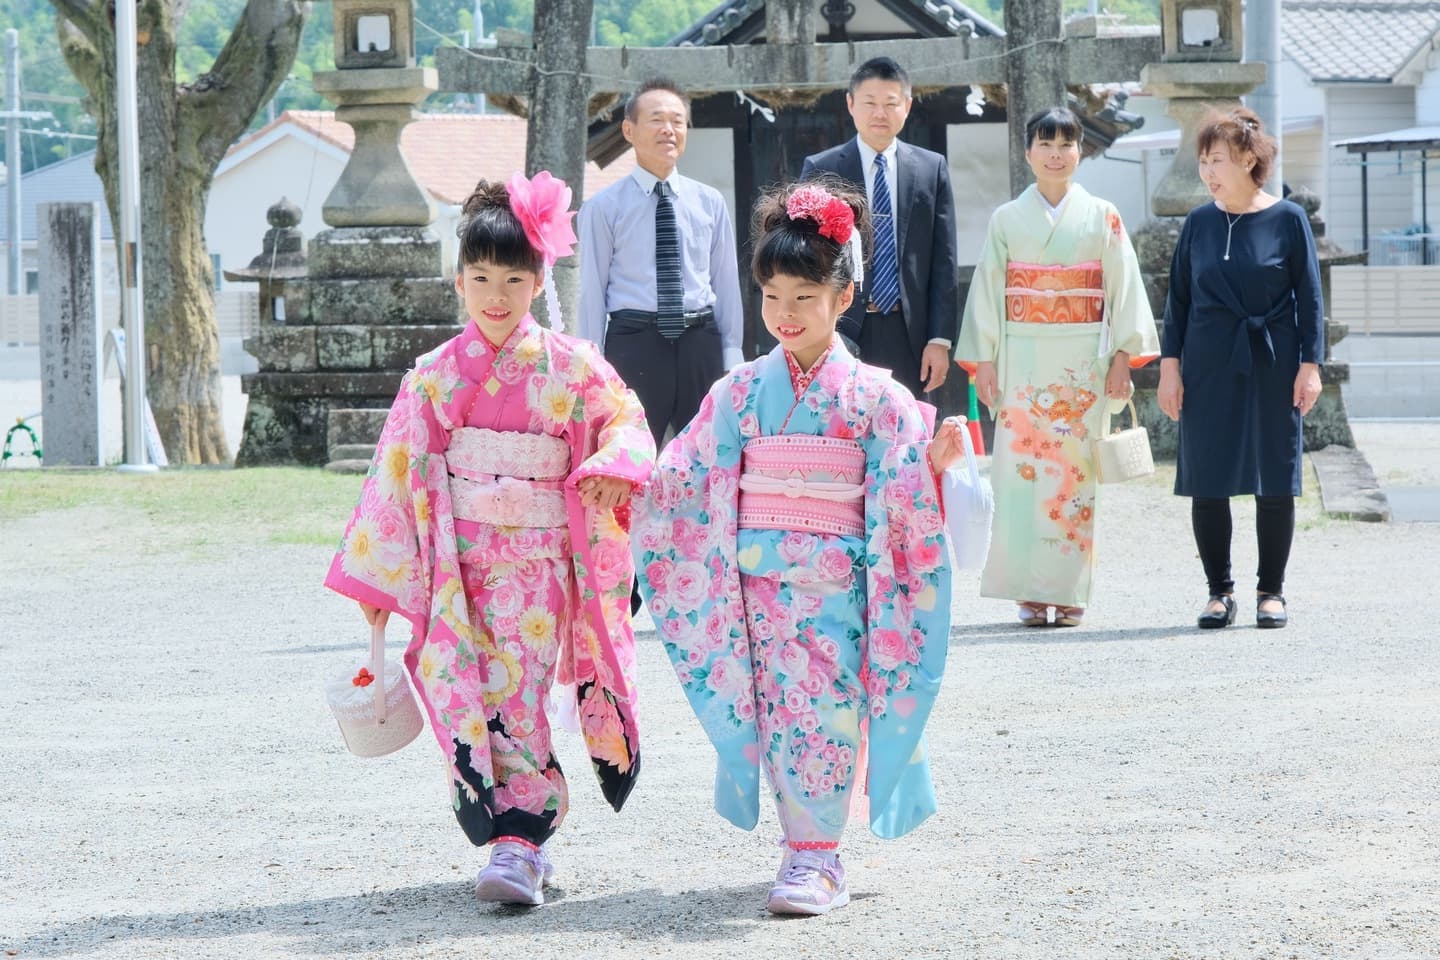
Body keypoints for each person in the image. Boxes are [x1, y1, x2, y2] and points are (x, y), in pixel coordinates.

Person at [632, 178, 967, 916]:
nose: (786, 313)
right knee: (780, 713)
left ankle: (817, 857)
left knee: (829, 709)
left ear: (843, 298)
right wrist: (626, 482)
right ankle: (803, 849)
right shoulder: (739, 392)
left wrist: (932, 466)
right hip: (757, 590)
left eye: (804, 297)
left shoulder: (878, 397)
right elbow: (682, 476)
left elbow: (903, 485)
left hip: (841, 590)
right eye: (773, 295)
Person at [323, 174, 655, 907]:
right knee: (468, 689)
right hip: (458, 570)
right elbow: (396, 478)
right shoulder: (435, 378)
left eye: (512, 277)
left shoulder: (571, 365)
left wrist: (608, 464)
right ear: (458, 281)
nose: (496, 296)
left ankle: (519, 840)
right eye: (480, 278)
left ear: (539, 279)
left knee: (517, 692)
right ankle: (513, 836)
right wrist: (381, 587)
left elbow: (626, 424)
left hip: (538, 570)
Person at [954, 107, 1159, 628]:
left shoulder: (1103, 216)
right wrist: (987, 364)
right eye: (1045, 144)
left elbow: (1124, 292)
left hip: (1080, 366)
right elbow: (987, 297)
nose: (1055, 154)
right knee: (1020, 476)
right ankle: (1027, 589)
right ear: (1028, 153)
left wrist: (1120, 359)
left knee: (1073, 476)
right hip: (1021, 359)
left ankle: (1067, 591)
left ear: (1079, 152)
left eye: (1066, 144)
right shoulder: (1006, 219)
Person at [1157, 107, 1324, 630]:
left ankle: (1270, 591)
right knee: (1208, 474)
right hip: (1207, 360)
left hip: (1274, 357)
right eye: (1204, 160)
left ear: (1250, 160)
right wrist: (1170, 367)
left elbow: (1311, 298)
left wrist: (1310, 365)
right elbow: (1177, 300)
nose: (1208, 171)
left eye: (1219, 160)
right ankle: (1218, 592)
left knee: (1274, 473)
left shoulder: (1289, 219)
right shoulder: (1198, 222)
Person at [578, 78, 745, 449]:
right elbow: (592, 290)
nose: (669, 129)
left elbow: (726, 284)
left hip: (698, 344)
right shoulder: (604, 208)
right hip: (635, 343)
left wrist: (732, 355)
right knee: (628, 456)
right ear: (629, 130)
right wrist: (589, 366)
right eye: (656, 119)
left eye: (678, 121)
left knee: (708, 456)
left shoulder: (710, 202)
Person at [800, 56, 959, 397]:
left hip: (910, 331)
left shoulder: (931, 169)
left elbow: (943, 260)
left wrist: (939, 340)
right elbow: (808, 262)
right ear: (850, 104)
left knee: (911, 434)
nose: (880, 114)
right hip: (844, 327)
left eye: (891, 103)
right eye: (870, 103)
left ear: (908, 106)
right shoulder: (821, 169)